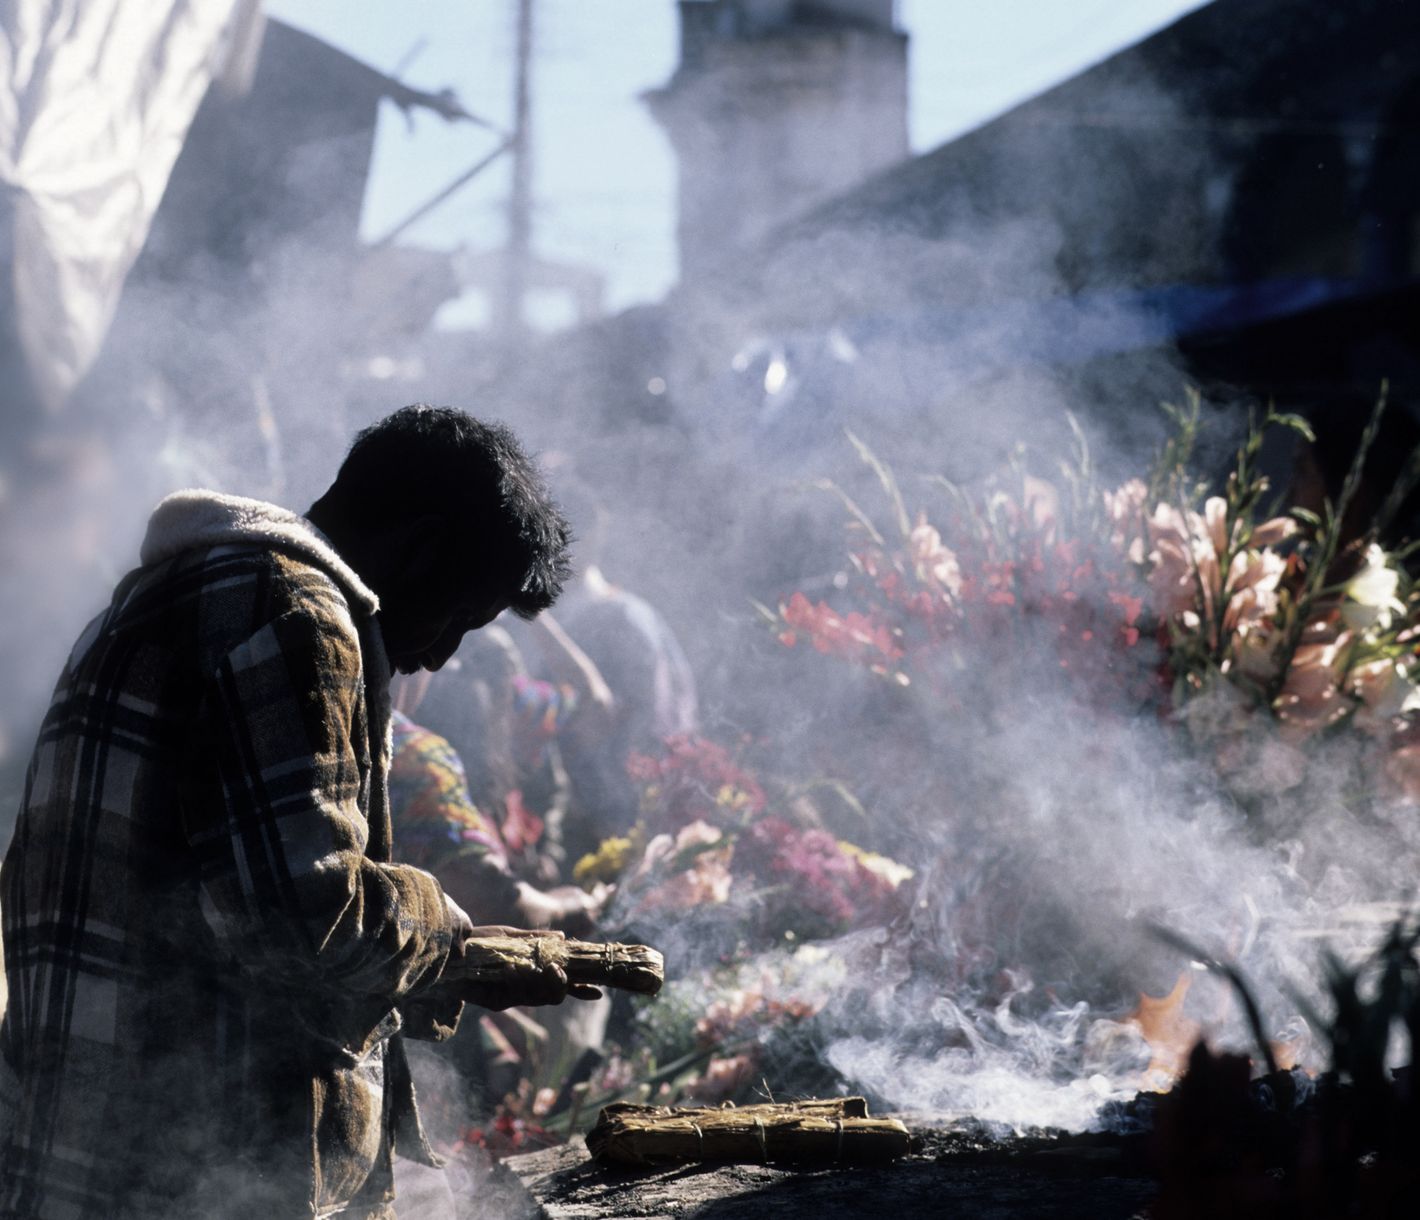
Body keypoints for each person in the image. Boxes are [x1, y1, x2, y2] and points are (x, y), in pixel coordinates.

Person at [0, 405, 594, 1218]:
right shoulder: (294, 615)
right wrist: (450, 932)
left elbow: (219, 907)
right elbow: (307, 915)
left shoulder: (170, 594)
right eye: (459, 617)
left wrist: (447, 970)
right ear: (420, 548)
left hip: (86, 1150)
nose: (443, 655)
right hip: (174, 1178)